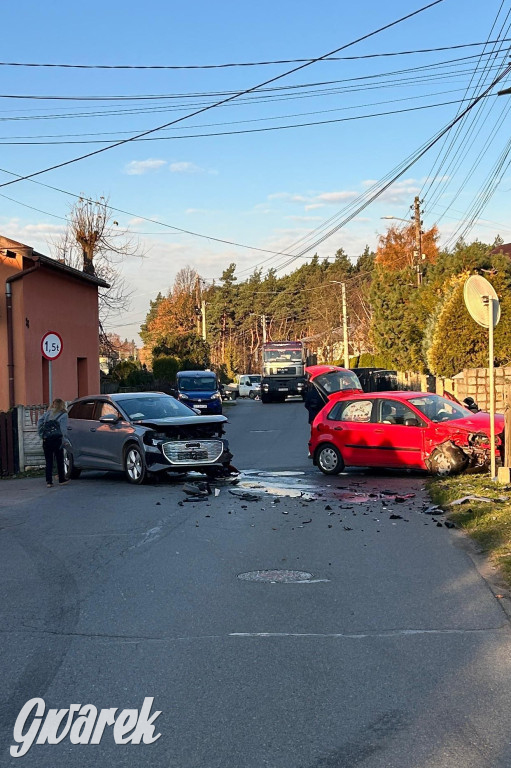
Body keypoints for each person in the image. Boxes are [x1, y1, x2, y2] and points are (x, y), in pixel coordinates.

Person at [37, 398, 69, 487]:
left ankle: (49, 481)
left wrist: (41, 434)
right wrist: (65, 440)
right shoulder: (64, 415)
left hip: (47, 439)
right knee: (59, 459)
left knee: (48, 461)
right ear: (62, 405)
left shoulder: (47, 413)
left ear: (53, 404)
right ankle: (61, 479)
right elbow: (63, 429)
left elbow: (39, 422)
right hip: (57, 439)